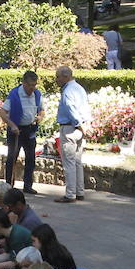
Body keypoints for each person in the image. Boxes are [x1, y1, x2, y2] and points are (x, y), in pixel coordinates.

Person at [53, 66, 91, 203]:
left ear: (66, 76)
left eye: (58, 76)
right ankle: (79, 192)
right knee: (77, 162)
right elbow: (86, 108)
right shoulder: (79, 88)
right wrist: (85, 126)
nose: (56, 80)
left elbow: (71, 110)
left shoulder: (68, 91)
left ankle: (70, 194)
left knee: (69, 163)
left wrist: (79, 124)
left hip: (70, 128)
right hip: (80, 128)